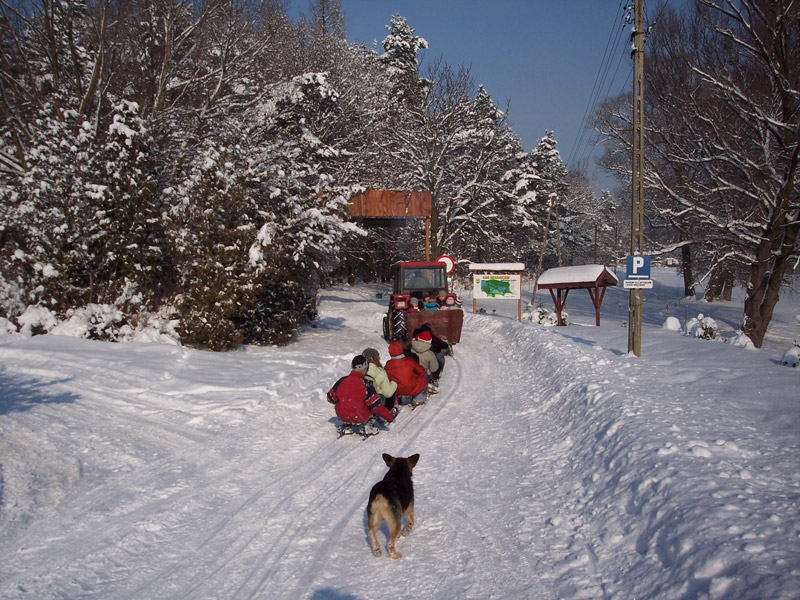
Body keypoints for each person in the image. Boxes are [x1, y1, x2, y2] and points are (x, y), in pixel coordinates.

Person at [327, 355, 396, 432]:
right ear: (365, 368)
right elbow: (376, 406)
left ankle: (347, 424)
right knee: (372, 404)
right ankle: (368, 424)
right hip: (360, 416)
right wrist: (389, 417)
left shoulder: (342, 380)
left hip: (342, 415)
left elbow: (330, 399)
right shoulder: (366, 384)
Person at [385, 341, 428, 408]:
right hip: (410, 388)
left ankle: (401, 399)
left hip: (396, 390)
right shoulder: (409, 361)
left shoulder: (388, 364)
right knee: (424, 376)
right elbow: (422, 371)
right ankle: (419, 399)